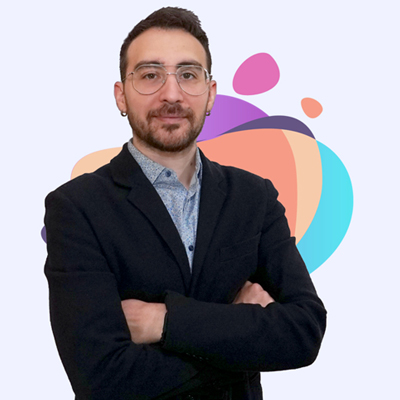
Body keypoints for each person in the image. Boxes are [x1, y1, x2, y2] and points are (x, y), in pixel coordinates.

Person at [44, 7, 326, 400]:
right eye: (150, 75)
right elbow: (101, 379)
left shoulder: (254, 198)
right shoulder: (77, 208)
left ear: (210, 94)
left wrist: (163, 322)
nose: (172, 94)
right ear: (121, 95)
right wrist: (240, 331)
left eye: (189, 75)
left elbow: (303, 332)